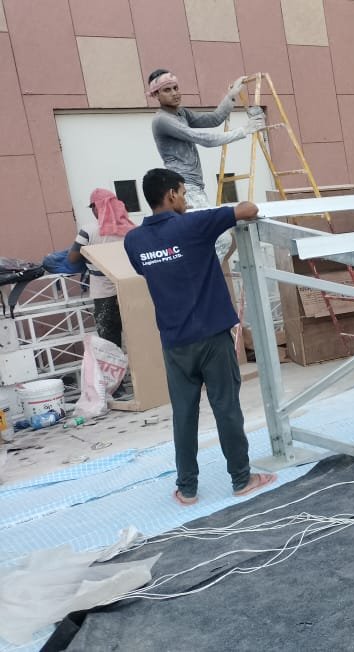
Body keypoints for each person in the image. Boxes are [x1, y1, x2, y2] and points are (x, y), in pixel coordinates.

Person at [124, 168, 276, 506]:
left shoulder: (133, 241)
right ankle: (242, 479)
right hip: (211, 337)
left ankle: (187, 488)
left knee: (183, 414)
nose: (186, 200)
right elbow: (248, 209)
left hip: (175, 343)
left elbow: (146, 270)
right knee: (226, 408)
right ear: (171, 195)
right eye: (182, 193)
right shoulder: (194, 224)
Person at [148, 69, 265, 259]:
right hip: (184, 188)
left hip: (193, 187)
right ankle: (202, 275)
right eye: (167, 90)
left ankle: (213, 272)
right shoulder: (162, 120)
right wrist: (244, 131)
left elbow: (213, 119)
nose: (174, 93)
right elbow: (204, 138)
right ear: (156, 95)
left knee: (224, 236)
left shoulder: (181, 113)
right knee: (221, 240)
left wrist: (231, 96)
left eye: (176, 88)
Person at [69, 189, 136, 349]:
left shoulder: (89, 230)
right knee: (138, 338)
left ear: (96, 207)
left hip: (104, 295)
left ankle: (115, 366)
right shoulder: (131, 228)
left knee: (110, 344)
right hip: (131, 291)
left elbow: (72, 258)